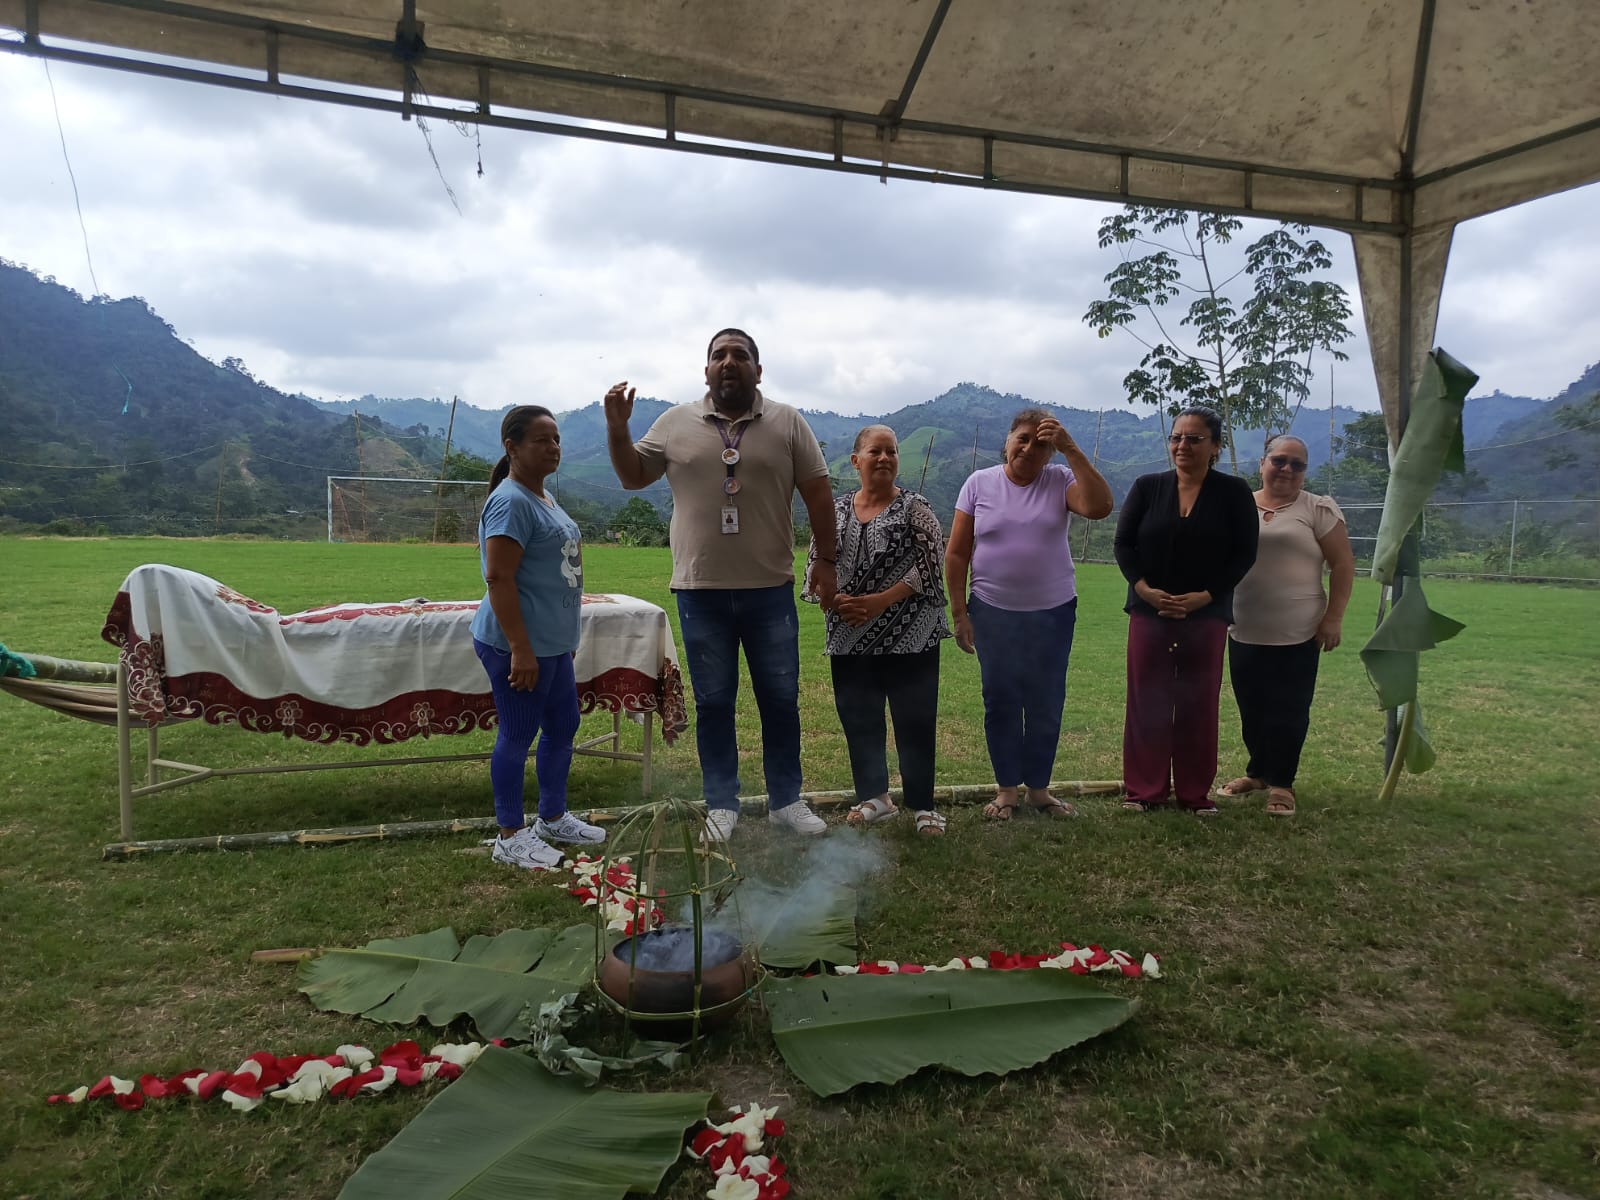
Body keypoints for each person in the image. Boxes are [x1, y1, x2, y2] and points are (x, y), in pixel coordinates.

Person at [603, 329, 839, 843]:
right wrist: (618, 430)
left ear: (758, 369)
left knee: (781, 698)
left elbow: (819, 494)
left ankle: (786, 801)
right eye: (719, 355)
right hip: (700, 590)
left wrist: (826, 559)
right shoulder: (675, 422)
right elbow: (632, 476)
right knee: (713, 702)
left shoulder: (788, 422)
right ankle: (722, 803)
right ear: (706, 369)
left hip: (769, 587)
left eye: (741, 355)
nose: (729, 362)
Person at [944, 408, 1114, 822]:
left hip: (1052, 614)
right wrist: (960, 613)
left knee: (1046, 701)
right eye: (1022, 438)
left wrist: (1070, 448)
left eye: (1041, 444)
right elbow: (957, 553)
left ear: (1051, 452)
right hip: (993, 612)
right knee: (1000, 700)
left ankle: (1039, 789)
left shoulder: (1061, 480)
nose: (1028, 449)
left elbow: (1100, 507)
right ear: (1008, 441)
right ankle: (1006, 790)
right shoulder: (979, 483)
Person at [471, 404, 606, 869]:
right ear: (512, 447)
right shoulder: (510, 501)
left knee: (563, 726)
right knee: (517, 734)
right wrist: (521, 649)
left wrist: (562, 638)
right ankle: (510, 836)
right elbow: (499, 578)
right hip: (518, 644)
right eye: (541, 440)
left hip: (551, 644)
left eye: (556, 440)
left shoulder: (541, 496)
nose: (553, 448)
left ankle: (552, 817)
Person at [802, 426, 951, 836]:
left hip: (911, 636)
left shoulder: (915, 508)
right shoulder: (834, 511)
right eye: (875, 451)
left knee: (914, 720)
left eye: (892, 451)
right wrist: (836, 601)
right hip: (849, 636)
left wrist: (880, 601)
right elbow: (816, 564)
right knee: (859, 717)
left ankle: (923, 806)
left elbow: (930, 565)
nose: (884, 458)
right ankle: (875, 797)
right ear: (856, 460)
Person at [1113, 406, 1259, 815]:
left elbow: (1244, 554)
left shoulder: (1234, 492)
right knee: (1146, 701)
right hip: (1149, 612)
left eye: (1194, 439)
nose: (1182, 446)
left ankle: (1194, 794)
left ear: (1215, 446)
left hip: (1205, 616)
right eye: (1177, 437)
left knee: (1198, 702)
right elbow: (1124, 544)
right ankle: (1144, 792)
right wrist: (1144, 590)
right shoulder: (1147, 487)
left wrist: (1205, 596)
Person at [1220, 435, 1355, 817]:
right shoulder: (1239, 505)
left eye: (1298, 464)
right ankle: (1258, 774)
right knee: (1252, 708)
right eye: (1279, 461)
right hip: (1243, 626)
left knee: (1289, 709)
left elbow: (1343, 565)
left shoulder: (1317, 509)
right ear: (1262, 463)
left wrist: (1334, 617)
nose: (1287, 470)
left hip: (1300, 631)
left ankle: (1282, 783)